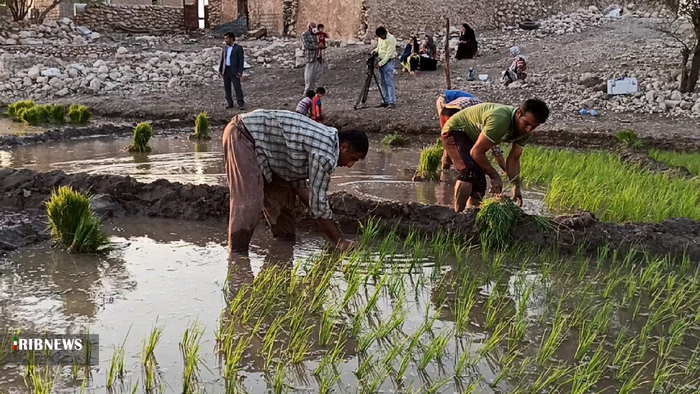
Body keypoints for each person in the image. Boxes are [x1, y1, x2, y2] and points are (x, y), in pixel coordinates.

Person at [222, 109, 369, 254]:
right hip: (243, 134)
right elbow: (318, 204)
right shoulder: (326, 154)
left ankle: (283, 251)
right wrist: (339, 240)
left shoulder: (326, 142)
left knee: (284, 206)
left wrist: (328, 218)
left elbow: (302, 188)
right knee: (250, 200)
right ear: (344, 147)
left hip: (273, 154)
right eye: (353, 159)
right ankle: (237, 258)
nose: (350, 165)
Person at [441, 99, 549, 212]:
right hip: (455, 130)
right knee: (469, 172)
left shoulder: (527, 132)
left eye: (534, 127)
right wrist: (495, 176)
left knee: (480, 184)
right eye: (526, 123)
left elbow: (514, 159)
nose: (528, 130)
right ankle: (457, 216)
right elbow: (476, 152)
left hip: (473, 139)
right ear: (518, 113)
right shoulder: (500, 120)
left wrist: (516, 186)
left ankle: (470, 216)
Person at [436, 93, 507, 177]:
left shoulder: (485, 107)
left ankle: (444, 173)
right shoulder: (493, 121)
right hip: (457, 111)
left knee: (449, 143)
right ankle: (462, 174)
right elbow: (496, 149)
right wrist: (505, 169)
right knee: (466, 156)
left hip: (446, 110)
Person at [218, 32, 246, 110]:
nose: (225, 40)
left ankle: (241, 103)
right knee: (227, 88)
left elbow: (241, 60)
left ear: (231, 38)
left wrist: (240, 71)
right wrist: (220, 70)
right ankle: (230, 103)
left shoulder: (238, 48)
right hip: (226, 70)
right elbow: (222, 60)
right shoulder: (225, 48)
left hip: (234, 71)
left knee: (237, 88)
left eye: (227, 38)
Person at [372, 26, 397, 109]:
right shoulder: (380, 39)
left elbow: (389, 53)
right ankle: (385, 100)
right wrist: (375, 51)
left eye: (381, 36)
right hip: (381, 61)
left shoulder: (391, 39)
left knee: (389, 82)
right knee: (383, 82)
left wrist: (381, 63)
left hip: (388, 62)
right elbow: (379, 48)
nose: (380, 38)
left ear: (384, 34)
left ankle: (392, 101)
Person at [302, 22, 323, 93]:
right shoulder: (304, 35)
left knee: (318, 77)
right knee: (309, 78)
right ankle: (307, 92)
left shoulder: (315, 35)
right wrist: (317, 46)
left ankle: (317, 92)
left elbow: (318, 44)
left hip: (317, 58)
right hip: (310, 59)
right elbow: (307, 45)